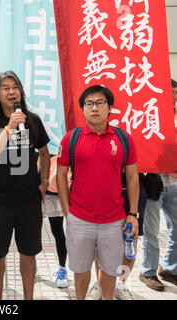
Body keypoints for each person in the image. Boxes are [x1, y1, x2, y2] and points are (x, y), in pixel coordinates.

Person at [56, 85, 139, 300]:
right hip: (80, 218)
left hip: (114, 220)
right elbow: (61, 175)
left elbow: (132, 177)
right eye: (89, 104)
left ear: (109, 108)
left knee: (110, 270)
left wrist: (133, 213)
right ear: (82, 109)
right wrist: (68, 212)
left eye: (100, 103)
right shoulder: (71, 138)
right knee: (81, 268)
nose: (95, 108)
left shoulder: (123, 139)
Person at [0, 70, 50, 300]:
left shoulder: (33, 120)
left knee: (28, 253)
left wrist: (44, 182)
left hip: (29, 200)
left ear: (21, 92)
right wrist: (9, 128)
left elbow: (45, 153)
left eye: (15, 86)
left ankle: (28, 297)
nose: (11, 91)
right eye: (5, 87)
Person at [139, 79, 177, 291]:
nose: (172, 96)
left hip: (175, 184)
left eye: (175, 92)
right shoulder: (150, 114)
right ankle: (149, 272)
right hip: (154, 182)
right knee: (151, 231)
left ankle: (170, 268)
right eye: (169, 91)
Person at [40, 155, 69, 288]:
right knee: (32, 231)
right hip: (36, 187)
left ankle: (62, 269)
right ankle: (31, 266)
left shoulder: (62, 136)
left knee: (57, 231)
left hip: (55, 190)